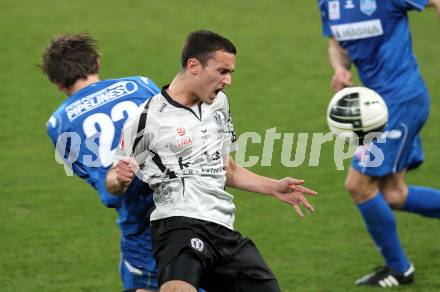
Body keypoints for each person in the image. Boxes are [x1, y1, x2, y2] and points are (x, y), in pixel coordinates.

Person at [106, 30, 318, 292]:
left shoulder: (219, 104)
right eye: (222, 71)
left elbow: (226, 168)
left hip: (222, 227)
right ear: (194, 65)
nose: (228, 80)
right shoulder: (148, 118)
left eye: (230, 73)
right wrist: (119, 178)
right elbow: (112, 181)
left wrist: (273, 187)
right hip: (178, 223)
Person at [318, 0, 440, 288]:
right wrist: (339, 69)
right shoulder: (328, 3)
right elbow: (337, 43)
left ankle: (400, 270)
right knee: (392, 195)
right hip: (377, 106)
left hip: (402, 99)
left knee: (358, 185)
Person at [42, 33, 160, 292]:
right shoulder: (140, 85)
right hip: (191, 206)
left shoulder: (59, 123)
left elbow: (103, 184)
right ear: (96, 63)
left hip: (141, 223)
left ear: (58, 83)